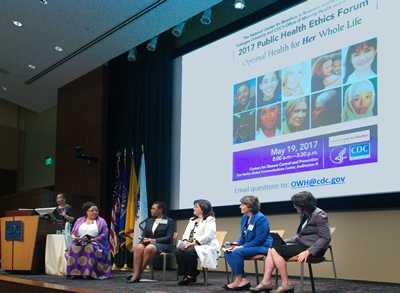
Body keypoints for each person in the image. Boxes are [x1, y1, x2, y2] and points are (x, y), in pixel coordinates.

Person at [249, 191, 330, 293]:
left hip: (313, 248)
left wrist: (309, 251)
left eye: (296, 205)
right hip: (302, 245)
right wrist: (284, 241)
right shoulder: (305, 214)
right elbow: (300, 236)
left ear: (303, 205)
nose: (294, 207)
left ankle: (284, 284)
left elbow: (325, 238)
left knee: (274, 249)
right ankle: (267, 282)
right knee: (272, 248)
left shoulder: (319, 215)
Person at [224, 195, 273, 291]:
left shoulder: (260, 218)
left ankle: (238, 280)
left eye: (242, 205)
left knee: (237, 252)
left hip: (263, 246)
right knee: (228, 251)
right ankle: (243, 279)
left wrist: (241, 247)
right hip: (250, 246)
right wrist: (235, 244)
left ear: (250, 206)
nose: (240, 206)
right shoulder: (244, 218)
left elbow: (259, 240)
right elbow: (243, 237)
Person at [127, 201, 176, 283]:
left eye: (153, 208)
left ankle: (136, 274)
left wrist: (154, 240)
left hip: (164, 245)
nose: (151, 210)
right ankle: (136, 273)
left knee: (149, 248)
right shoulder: (149, 221)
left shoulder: (169, 221)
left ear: (160, 210)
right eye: (151, 208)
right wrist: (144, 239)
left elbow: (169, 237)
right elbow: (144, 235)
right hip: (149, 243)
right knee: (138, 247)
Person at [175, 199, 220, 286]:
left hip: (206, 245)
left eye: (196, 207)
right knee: (179, 250)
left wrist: (193, 243)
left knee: (189, 251)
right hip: (191, 244)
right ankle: (187, 273)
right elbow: (186, 233)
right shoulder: (192, 219)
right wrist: (185, 241)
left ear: (203, 208)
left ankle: (190, 275)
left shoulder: (210, 219)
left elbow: (209, 235)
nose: (193, 208)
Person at [65, 202, 112, 279]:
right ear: (86, 212)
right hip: (79, 241)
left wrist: (94, 239)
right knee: (72, 248)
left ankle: (88, 273)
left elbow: (104, 234)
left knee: (89, 247)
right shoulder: (79, 220)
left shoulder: (101, 221)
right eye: (92, 210)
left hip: (96, 243)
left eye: (96, 210)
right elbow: (73, 232)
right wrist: (75, 237)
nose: (95, 212)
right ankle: (74, 273)